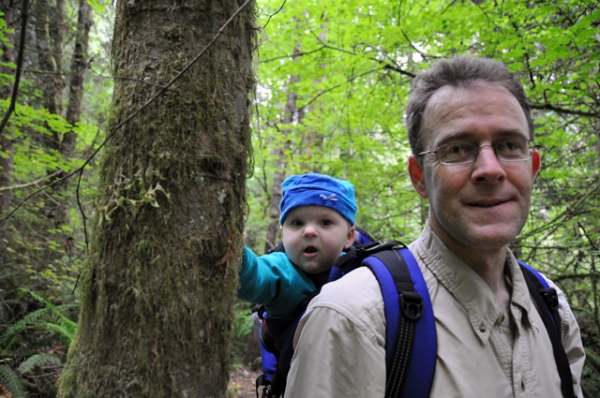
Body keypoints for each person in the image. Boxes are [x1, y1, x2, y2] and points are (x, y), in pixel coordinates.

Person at [286, 56, 586, 397]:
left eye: (508, 145)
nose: (490, 169)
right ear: (419, 178)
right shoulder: (353, 318)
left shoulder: (551, 307)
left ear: (531, 168)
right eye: (457, 149)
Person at [237, 173, 356, 319]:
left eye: (325, 222)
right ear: (283, 235)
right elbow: (252, 275)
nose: (309, 231)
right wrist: (234, 250)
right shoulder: (282, 272)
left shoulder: (358, 272)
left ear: (349, 237)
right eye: (298, 223)